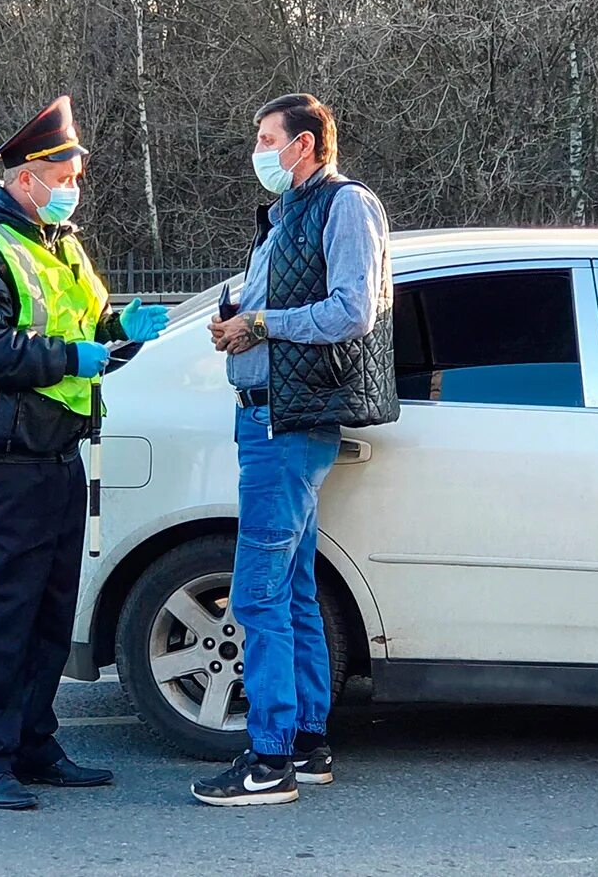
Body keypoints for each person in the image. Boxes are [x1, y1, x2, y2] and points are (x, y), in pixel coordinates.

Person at [0, 95, 170, 810]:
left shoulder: (56, 240)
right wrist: (76, 356)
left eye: (76, 174)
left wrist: (122, 328)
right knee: (1, 612)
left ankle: (34, 742)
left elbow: (81, 324)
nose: (72, 186)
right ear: (25, 176)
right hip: (5, 454)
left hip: (58, 452)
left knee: (51, 612)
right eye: (63, 173)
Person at [190, 93, 398, 806]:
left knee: (257, 594)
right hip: (271, 417)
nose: (258, 150)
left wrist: (262, 324)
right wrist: (235, 321)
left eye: (266, 137)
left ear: (304, 145)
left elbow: (352, 310)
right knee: (294, 591)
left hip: (289, 423)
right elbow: (271, 306)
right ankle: (307, 745)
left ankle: (268, 760)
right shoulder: (291, 213)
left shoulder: (346, 206)